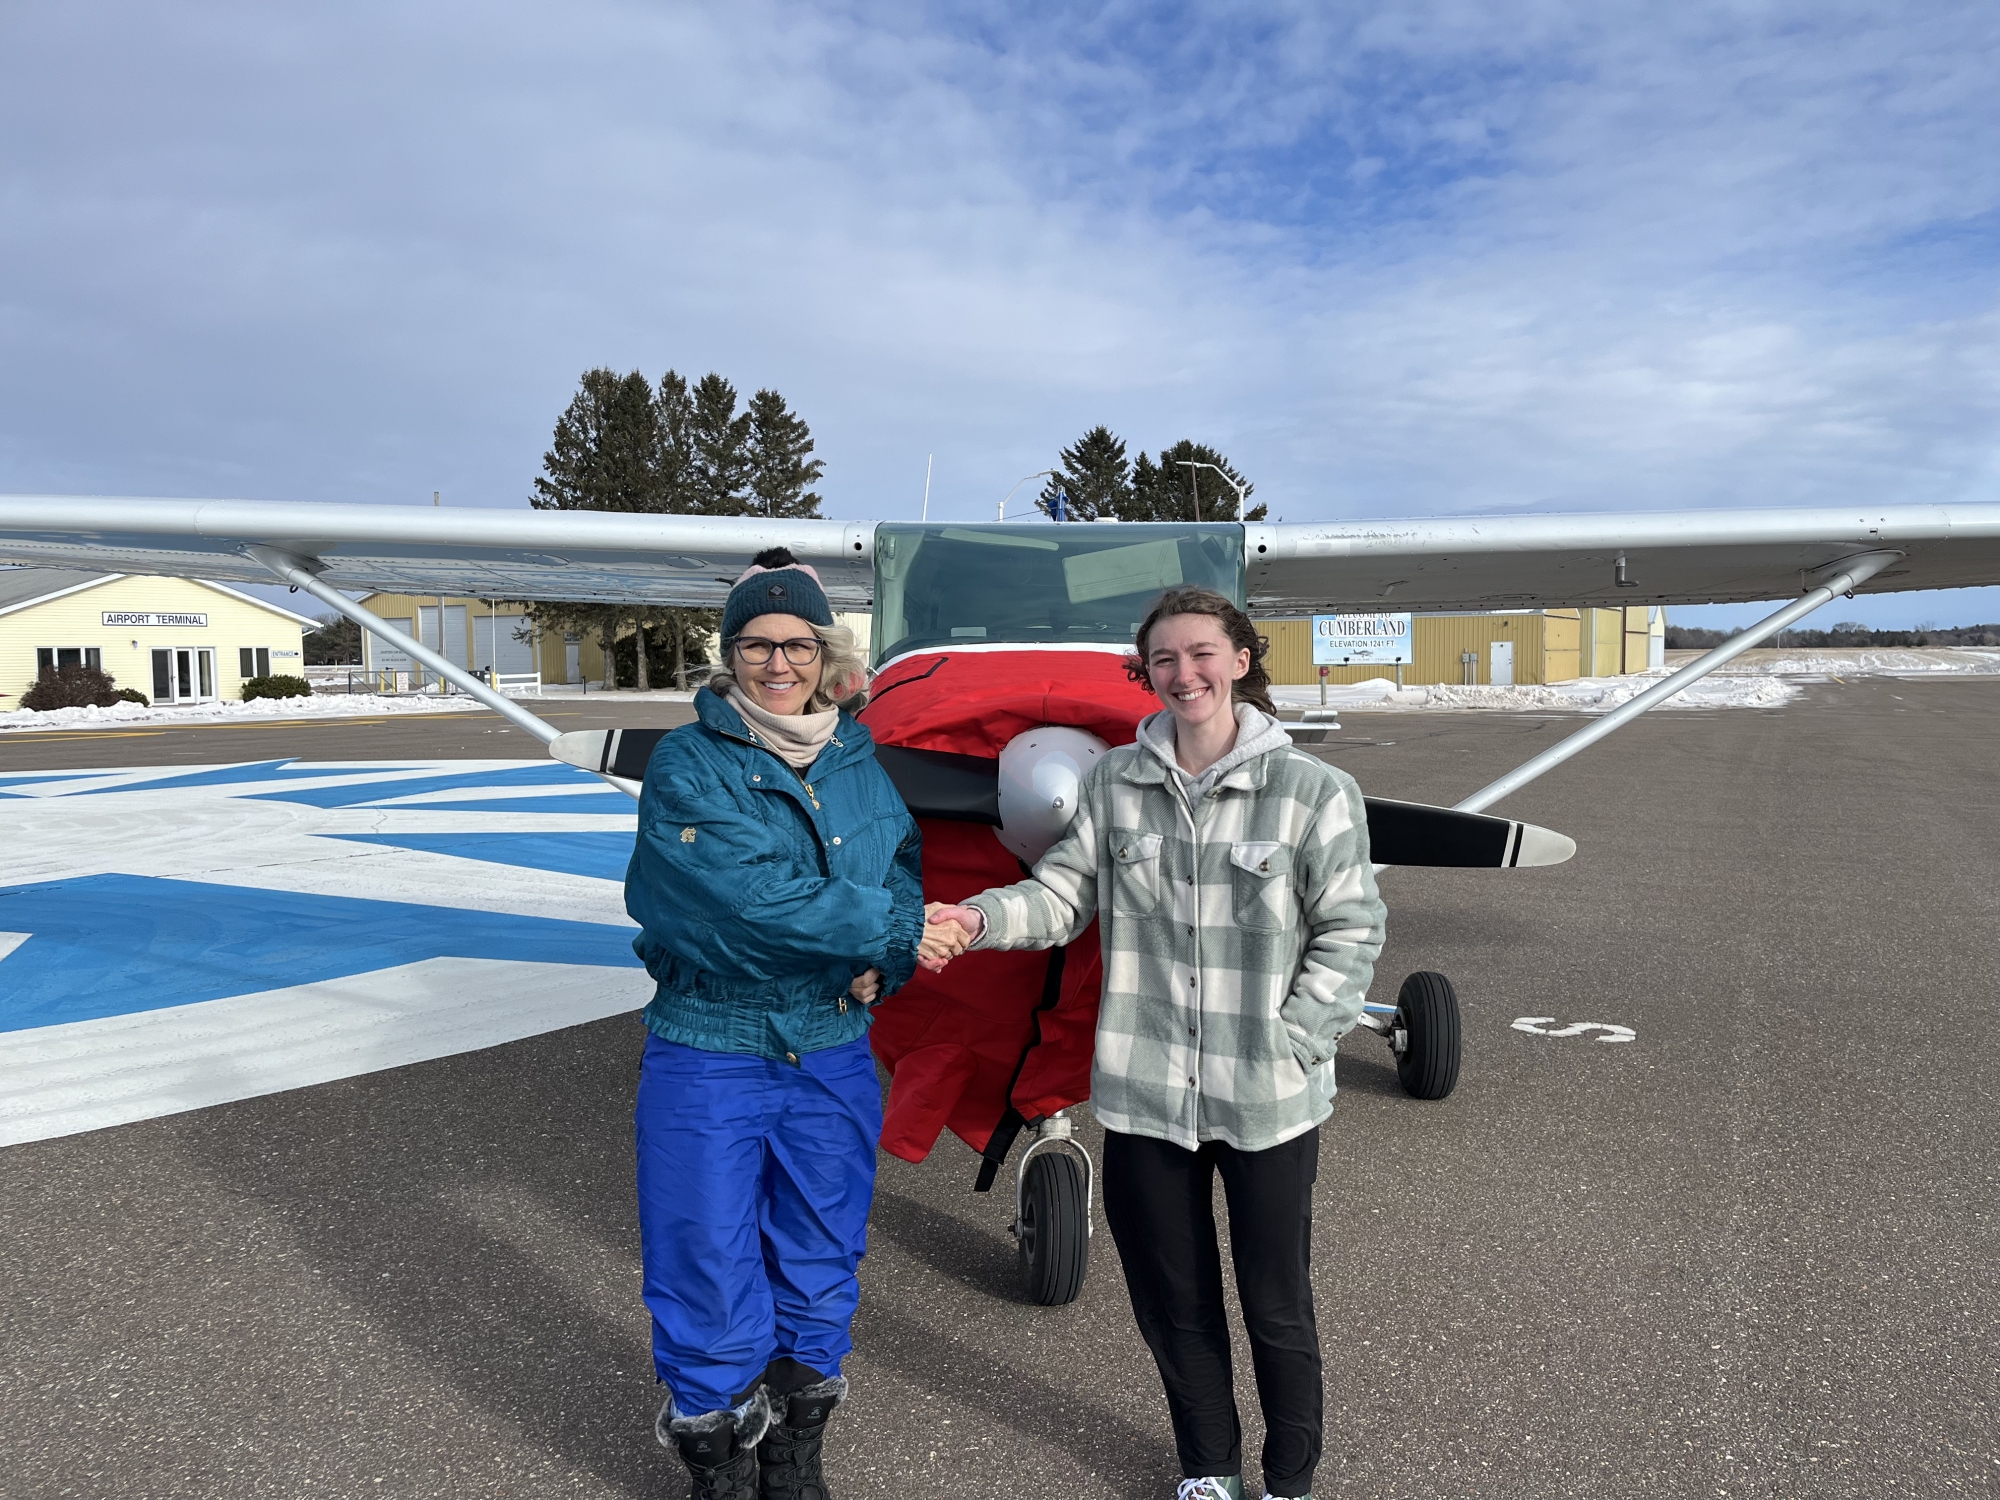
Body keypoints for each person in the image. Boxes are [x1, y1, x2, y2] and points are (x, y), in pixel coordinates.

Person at [925, 585, 1386, 1500]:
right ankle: (1208, 1465)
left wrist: (1296, 1039)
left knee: (1276, 1304)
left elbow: (1353, 927)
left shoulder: (1314, 791)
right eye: (1165, 660)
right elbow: (1061, 896)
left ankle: (1290, 1477)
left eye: (1203, 653)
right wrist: (974, 919)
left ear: (1241, 661)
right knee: (1173, 1302)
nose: (1185, 674)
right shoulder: (1113, 785)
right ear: (1149, 673)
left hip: (1268, 1099)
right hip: (1144, 1096)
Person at [625, 548, 957, 1500]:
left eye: (798, 644)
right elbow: (735, 906)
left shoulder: (856, 757)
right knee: (705, 1253)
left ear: (825, 652)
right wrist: (892, 931)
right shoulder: (690, 761)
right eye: (757, 645)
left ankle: (793, 1452)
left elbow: (898, 865)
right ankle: (718, 1463)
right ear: (729, 656)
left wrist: (880, 962)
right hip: (711, 1044)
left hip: (832, 1047)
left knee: (819, 1253)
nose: (779, 663)